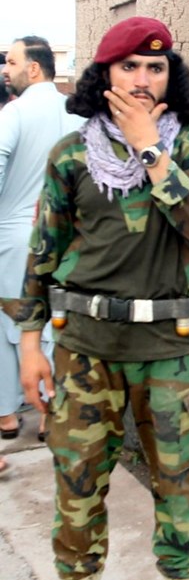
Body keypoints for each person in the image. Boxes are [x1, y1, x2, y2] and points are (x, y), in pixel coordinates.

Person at [0, 16, 189, 580]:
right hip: (86, 351)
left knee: (179, 487)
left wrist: (152, 148)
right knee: (76, 486)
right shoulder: (72, 154)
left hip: (171, 351)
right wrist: (29, 344)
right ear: (105, 74)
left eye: (157, 67)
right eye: (130, 67)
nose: (145, 79)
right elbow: (42, 254)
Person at [0, 36, 84, 468]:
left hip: (15, 235)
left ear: (33, 69)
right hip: (64, 234)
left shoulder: (14, 112)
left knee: (9, 323)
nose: (5, 69)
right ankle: (51, 412)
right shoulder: (74, 111)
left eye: (11, 62)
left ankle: (8, 414)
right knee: (55, 318)